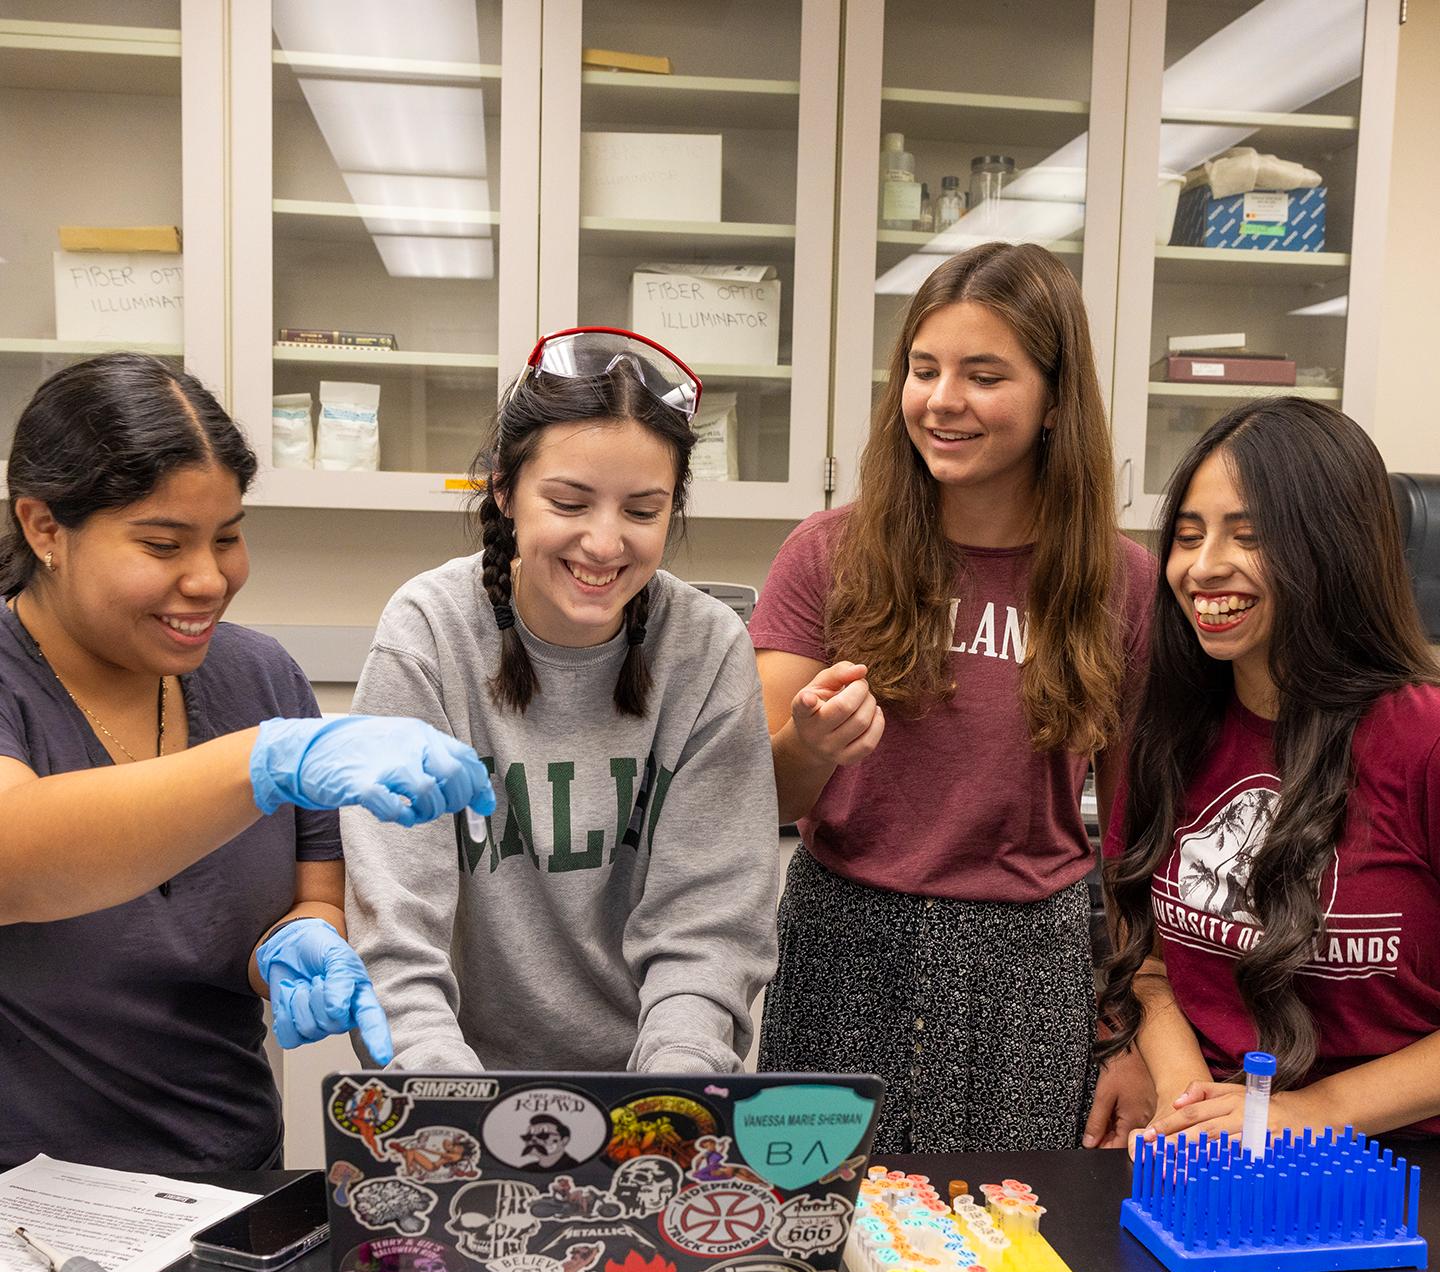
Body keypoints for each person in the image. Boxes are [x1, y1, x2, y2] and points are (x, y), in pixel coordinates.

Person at [0, 353, 493, 1171]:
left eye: (227, 537)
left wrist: (299, 945)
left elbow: (311, 898)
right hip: (27, 1212)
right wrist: (263, 760)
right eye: (162, 544)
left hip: (233, 1179)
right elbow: (16, 861)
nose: (208, 578)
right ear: (45, 528)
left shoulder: (259, 676)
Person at [749, 242, 1154, 1152]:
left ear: (1056, 401)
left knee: (1008, 1248)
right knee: (812, 1232)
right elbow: (756, 794)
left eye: (984, 375)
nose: (943, 400)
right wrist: (812, 746)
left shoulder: (1122, 585)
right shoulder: (826, 554)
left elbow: (1140, 831)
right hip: (843, 945)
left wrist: (1128, 1031)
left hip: (1033, 966)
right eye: (923, 370)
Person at [343, 327, 778, 1075]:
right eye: (571, 502)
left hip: (653, 1087)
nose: (604, 544)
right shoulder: (428, 635)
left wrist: (668, 1102)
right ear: (506, 491)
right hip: (461, 1081)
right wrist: (449, 1104)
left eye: (642, 512)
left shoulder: (706, 650)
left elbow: (709, 933)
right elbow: (397, 929)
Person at [1099, 396, 1440, 1142]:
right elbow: (1148, 965)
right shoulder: (1167, 730)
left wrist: (1312, 1111)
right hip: (1221, 1161)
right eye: (1188, 537)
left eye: (1247, 536)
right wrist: (1188, 1094)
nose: (1202, 566)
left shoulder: (1424, 739)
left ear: (1332, 548)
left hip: (1396, 1173)